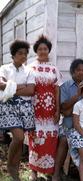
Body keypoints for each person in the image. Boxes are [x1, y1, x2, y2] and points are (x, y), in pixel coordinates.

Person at [52, 59, 83, 180]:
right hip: (70, 125)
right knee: (63, 140)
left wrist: (69, 110)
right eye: (78, 70)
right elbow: (63, 108)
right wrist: (77, 94)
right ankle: (56, 173)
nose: (81, 72)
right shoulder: (66, 86)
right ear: (73, 71)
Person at [27, 35, 62, 180]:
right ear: (36, 51)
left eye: (45, 48)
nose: (42, 51)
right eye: (40, 49)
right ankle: (34, 171)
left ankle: (50, 171)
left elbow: (57, 90)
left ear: (49, 50)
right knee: (34, 139)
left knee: (50, 140)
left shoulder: (54, 69)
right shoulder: (30, 67)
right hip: (35, 110)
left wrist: (58, 110)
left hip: (50, 110)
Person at [0, 40, 35, 180]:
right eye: (20, 53)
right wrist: (20, 87)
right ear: (13, 54)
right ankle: (10, 165)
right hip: (9, 105)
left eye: (25, 53)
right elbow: (1, 85)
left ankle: (16, 166)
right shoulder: (4, 68)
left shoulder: (29, 70)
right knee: (19, 136)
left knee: (20, 140)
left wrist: (11, 87)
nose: (23, 56)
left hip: (25, 108)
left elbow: (31, 90)